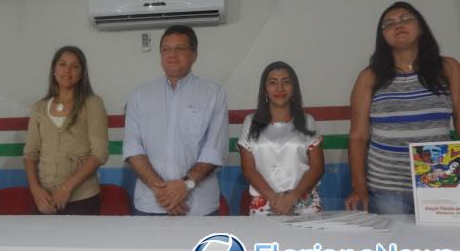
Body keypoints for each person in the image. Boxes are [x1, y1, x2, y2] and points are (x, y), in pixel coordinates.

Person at [345, 1, 460, 214]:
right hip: (388, 188)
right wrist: (359, 188)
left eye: (406, 18)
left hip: (439, 182)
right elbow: (357, 137)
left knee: (440, 245)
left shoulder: (449, 68)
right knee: (396, 246)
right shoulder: (369, 77)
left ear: (421, 27)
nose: (398, 24)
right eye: (389, 23)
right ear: (383, 37)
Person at [123, 25, 229, 216]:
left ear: (195, 54)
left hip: (198, 207)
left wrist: (185, 185)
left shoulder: (213, 93)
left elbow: (215, 149)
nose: (172, 54)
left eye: (180, 49)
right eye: (166, 49)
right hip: (151, 204)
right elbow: (133, 148)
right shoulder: (140, 95)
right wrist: (161, 191)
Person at [24, 46, 108, 215]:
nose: (67, 70)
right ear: (54, 70)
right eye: (62, 64)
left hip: (82, 199)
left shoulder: (92, 103)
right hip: (45, 200)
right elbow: (30, 153)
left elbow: (100, 153)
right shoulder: (39, 107)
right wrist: (35, 190)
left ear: (82, 73)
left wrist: (65, 188)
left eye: (74, 66)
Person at [238, 61, 324, 215]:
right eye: (273, 83)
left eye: (286, 82)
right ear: (265, 89)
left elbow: (317, 168)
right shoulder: (251, 122)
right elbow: (249, 169)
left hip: (304, 202)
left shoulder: (307, 121)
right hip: (265, 203)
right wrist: (274, 198)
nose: (279, 88)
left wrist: (292, 197)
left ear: (294, 88)